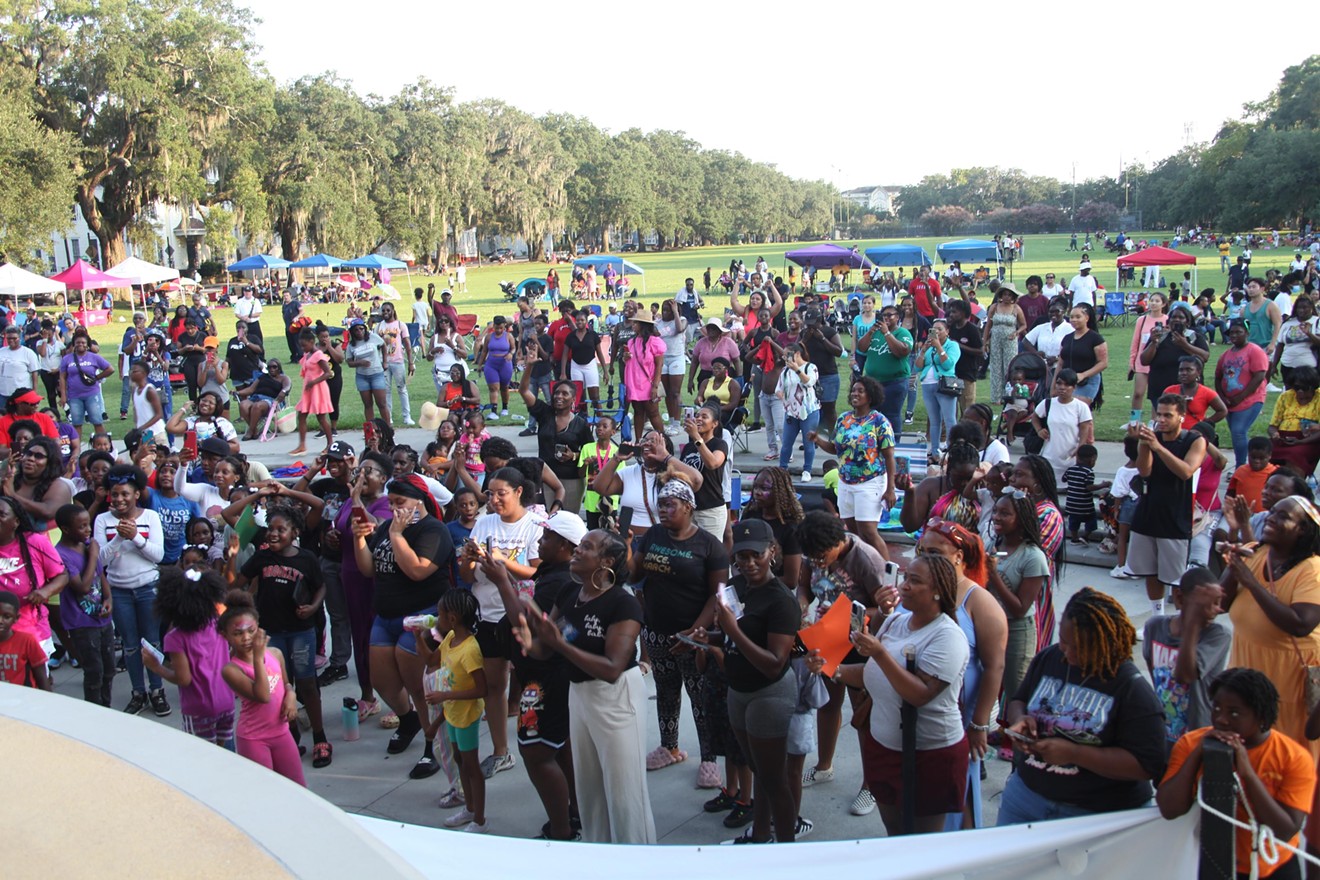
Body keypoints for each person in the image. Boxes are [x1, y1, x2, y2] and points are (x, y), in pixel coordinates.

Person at [514, 529, 655, 843]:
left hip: (617, 698)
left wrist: (557, 644)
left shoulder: (623, 604)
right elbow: (545, 647)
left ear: (605, 562)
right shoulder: (568, 592)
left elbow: (612, 668)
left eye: (586, 547)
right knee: (589, 790)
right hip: (579, 695)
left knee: (623, 793)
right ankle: (597, 856)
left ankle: (638, 861)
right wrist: (529, 641)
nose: (577, 551)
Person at [827, 555, 969, 836]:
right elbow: (871, 673)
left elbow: (920, 694)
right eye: (905, 578)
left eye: (915, 581)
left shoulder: (948, 637)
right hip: (883, 747)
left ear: (938, 590)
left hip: (928, 755)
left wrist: (879, 652)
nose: (903, 586)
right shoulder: (896, 623)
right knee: (894, 833)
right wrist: (833, 670)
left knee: (920, 843)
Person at [999, 588, 1167, 824]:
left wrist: (1075, 753)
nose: (1064, 651)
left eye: (1075, 647)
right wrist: (1020, 719)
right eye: (1063, 640)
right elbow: (1019, 699)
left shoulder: (1131, 688)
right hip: (1026, 798)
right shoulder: (1049, 658)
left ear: (1101, 644)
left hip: (1095, 815)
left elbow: (1147, 764)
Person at [687, 519, 802, 844]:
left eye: (756, 555)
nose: (748, 563)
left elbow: (774, 663)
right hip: (737, 690)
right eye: (741, 556)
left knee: (773, 779)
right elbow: (732, 638)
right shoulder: (736, 587)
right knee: (758, 770)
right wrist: (707, 635)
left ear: (773, 553)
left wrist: (730, 629)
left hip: (768, 695)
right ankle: (761, 835)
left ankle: (785, 851)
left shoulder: (781, 600)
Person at [1158, 668, 1316, 880]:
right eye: (1216, 708)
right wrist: (1197, 755)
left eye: (1234, 712)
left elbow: (1284, 832)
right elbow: (1169, 809)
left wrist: (1247, 773)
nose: (1221, 719)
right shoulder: (1190, 744)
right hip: (1214, 863)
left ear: (1260, 716)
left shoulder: (1294, 757)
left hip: (1273, 866)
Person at [795, 510, 898, 815]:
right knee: (827, 703)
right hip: (827, 637)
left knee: (863, 714)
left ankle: (871, 785)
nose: (816, 562)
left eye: (821, 556)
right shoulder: (811, 552)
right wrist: (803, 604)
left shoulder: (866, 561)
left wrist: (848, 616)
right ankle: (824, 765)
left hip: (859, 641)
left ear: (838, 543)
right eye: (811, 557)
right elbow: (804, 586)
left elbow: (886, 610)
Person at [351, 473, 456, 770]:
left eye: (401, 502)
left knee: (419, 689)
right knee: (382, 680)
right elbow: (368, 569)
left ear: (419, 502)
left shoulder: (433, 531)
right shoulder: (386, 528)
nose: (395, 508)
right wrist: (360, 537)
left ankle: (431, 745)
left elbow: (418, 571)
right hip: (385, 615)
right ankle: (408, 720)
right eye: (392, 502)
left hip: (421, 617)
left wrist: (397, 536)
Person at [633, 479, 729, 788]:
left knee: (700, 697)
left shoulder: (708, 546)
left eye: (670, 505)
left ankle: (709, 759)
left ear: (688, 507)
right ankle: (669, 746)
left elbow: (717, 595)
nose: (663, 510)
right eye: (660, 504)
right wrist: (626, 551)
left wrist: (697, 631)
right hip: (657, 631)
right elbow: (634, 575)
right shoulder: (653, 535)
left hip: (693, 636)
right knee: (666, 690)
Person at [1221, 494, 1320, 762]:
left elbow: (1300, 624)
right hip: (1246, 669)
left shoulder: (1312, 570)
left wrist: (1251, 583)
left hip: (1288, 681)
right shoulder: (1256, 551)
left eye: (1283, 516)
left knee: (1285, 760)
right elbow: (1221, 602)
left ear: (1302, 530)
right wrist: (1234, 564)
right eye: (1272, 512)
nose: (1272, 518)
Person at [459, 467, 544, 778]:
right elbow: (467, 576)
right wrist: (469, 559)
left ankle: (537, 745)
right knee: (493, 686)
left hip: (521, 617)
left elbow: (538, 571)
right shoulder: (483, 523)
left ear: (519, 492)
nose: (493, 500)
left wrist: (503, 561)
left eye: (500, 494)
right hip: (488, 615)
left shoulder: (534, 525)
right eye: (489, 494)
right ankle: (500, 751)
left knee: (533, 686)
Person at [95, 465, 168, 716]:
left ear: (137, 494)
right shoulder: (102, 520)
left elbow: (158, 556)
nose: (119, 499)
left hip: (148, 588)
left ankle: (157, 690)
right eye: (115, 495)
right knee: (130, 646)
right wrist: (118, 537)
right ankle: (139, 692)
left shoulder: (150, 517)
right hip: (119, 591)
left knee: (152, 641)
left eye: (125, 494)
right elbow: (101, 561)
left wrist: (136, 536)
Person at [1128, 394, 1207, 617]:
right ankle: (1157, 617)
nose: (1161, 420)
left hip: (1176, 516)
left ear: (1181, 416)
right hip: (1148, 512)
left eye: (1168, 415)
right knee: (1151, 572)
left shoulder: (1194, 440)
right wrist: (1144, 445)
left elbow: (1185, 472)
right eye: (1159, 415)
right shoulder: (1153, 438)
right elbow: (1145, 471)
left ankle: (1183, 620)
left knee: (1176, 577)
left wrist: (1158, 447)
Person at [419, 590, 489, 835]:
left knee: (472, 766)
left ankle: (480, 820)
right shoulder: (449, 638)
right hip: (452, 715)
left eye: (439, 613)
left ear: (452, 618)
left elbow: (482, 689)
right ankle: (469, 808)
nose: (435, 617)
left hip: (467, 717)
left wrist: (445, 696)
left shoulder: (470, 650)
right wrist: (418, 636)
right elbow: (430, 661)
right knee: (460, 760)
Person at [147, 548, 232, 749]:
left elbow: (183, 679)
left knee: (203, 757)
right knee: (225, 755)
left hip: (198, 708)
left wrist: (156, 667)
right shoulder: (218, 622)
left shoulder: (174, 638)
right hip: (226, 702)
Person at [218, 591, 306, 785]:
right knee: (266, 792)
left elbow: (286, 683)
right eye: (238, 633)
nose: (246, 638)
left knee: (298, 788)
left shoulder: (275, 654)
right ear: (225, 636)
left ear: (258, 626)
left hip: (281, 732)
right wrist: (258, 658)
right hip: (254, 739)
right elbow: (263, 695)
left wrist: (291, 695)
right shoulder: (231, 670)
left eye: (251, 630)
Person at [1143, 567, 1231, 748]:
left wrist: (1192, 623)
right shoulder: (1154, 627)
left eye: (1217, 602)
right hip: (1162, 731)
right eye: (1204, 604)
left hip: (1197, 737)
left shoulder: (1218, 635)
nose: (1215, 610)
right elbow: (1154, 674)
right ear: (1179, 598)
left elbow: (1186, 675)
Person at [809, 377, 895, 557]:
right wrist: (818, 440)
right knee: (853, 532)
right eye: (853, 390)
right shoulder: (844, 419)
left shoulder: (879, 421)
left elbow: (889, 457)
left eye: (860, 391)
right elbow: (835, 449)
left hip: (870, 482)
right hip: (845, 483)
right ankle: (862, 568)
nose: (855, 394)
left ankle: (887, 573)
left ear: (870, 396)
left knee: (869, 532)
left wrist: (890, 489)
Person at [985, 492, 1050, 713]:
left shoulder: (1033, 557)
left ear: (1021, 519)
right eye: (995, 511)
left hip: (1017, 630)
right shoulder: (992, 544)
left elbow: (1021, 608)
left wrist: (993, 575)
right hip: (990, 627)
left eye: (1005, 513)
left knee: (1016, 693)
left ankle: (1018, 744)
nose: (996, 517)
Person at [53, 504, 115, 705]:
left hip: (102, 618)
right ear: (66, 529)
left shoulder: (87, 545)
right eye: (82, 527)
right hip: (81, 622)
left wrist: (108, 599)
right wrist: (93, 555)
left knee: (109, 669)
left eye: (88, 524)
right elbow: (82, 587)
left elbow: (100, 576)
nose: (88, 530)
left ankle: (106, 708)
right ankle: (94, 711)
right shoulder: (61, 554)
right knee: (94, 671)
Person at [518, 350, 593, 515]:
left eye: (565, 393)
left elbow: (591, 453)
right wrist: (529, 367)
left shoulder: (580, 424)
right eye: (557, 393)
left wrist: (573, 455)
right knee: (544, 521)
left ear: (573, 399)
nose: (559, 396)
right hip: (544, 478)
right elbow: (523, 391)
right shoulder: (545, 413)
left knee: (566, 521)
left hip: (572, 479)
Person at [1216, 320, 1271, 467]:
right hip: (1230, 401)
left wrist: (1241, 396)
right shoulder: (1226, 354)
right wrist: (1222, 398)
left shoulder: (1254, 351)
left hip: (1250, 399)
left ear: (1247, 333)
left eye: (1238, 332)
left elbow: (1260, 376)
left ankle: (1241, 465)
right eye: (1231, 332)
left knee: (1239, 431)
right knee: (1235, 434)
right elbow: (1218, 377)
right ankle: (1241, 464)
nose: (1234, 335)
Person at [1139, 304, 1210, 418]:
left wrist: (1185, 345)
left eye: (1181, 318)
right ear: (1169, 320)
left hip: (1188, 391)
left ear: (1187, 321)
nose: (1177, 320)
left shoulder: (1194, 337)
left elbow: (1205, 356)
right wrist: (1153, 342)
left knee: (1186, 421)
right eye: (1174, 317)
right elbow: (1144, 360)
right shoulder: (1161, 337)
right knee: (1166, 421)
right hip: (1161, 389)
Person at [1030, 368, 1095, 485]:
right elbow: (1034, 417)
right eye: (1059, 383)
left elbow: (1085, 428)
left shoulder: (1081, 407)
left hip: (1071, 459)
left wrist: (1080, 447)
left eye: (1067, 385)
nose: (1062, 387)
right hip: (1049, 457)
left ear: (1074, 387)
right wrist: (1039, 430)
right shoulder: (1048, 403)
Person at [858, 305, 913, 434]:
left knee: (891, 415)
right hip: (873, 382)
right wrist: (870, 331)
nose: (886, 318)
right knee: (870, 415)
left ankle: (893, 445)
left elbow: (902, 351)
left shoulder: (902, 333)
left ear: (898, 317)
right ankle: (872, 443)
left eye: (890, 315)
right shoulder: (875, 332)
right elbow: (861, 347)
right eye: (884, 315)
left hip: (894, 382)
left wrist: (887, 333)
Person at [915, 318, 960, 458]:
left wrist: (939, 347)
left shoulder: (952, 345)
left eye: (940, 329)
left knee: (949, 419)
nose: (936, 332)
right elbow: (917, 367)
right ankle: (934, 450)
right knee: (934, 421)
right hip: (927, 384)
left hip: (945, 384)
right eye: (934, 330)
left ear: (947, 331)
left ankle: (952, 449)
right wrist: (923, 352)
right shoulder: (929, 347)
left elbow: (948, 365)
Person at [57, 334, 114, 442]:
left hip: (92, 394)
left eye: (83, 342)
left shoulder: (94, 357)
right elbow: (62, 377)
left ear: (88, 344)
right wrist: (63, 395)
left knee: (97, 421)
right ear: (74, 344)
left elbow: (110, 369)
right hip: (74, 396)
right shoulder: (67, 359)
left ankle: (103, 446)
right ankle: (76, 449)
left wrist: (97, 377)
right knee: (77, 423)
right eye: (78, 342)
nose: (80, 345)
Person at [776, 343, 821, 479]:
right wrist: (783, 397)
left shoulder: (810, 367)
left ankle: (807, 470)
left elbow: (809, 382)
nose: (785, 358)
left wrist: (797, 370)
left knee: (808, 443)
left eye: (787, 355)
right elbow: (778, 388)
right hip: (791, 412)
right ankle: (782, 469)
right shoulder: (785, 371)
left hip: (809, 411)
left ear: (796, 354)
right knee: (786, 444)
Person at [1267, 366, 1320, 476]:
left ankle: (1295, 486)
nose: (1300, 391)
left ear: (1313, 387)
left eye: (1304, 388)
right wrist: (1275, 434)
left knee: (1295, 454)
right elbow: (1272, 426)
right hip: (1284, 438)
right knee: (1264, 450)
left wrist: (1300, 442)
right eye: (1296, 387)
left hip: (1309, 440)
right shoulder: (1286, 396)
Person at [288, 330, 334, 457]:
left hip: (318, 389)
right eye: (301, 346)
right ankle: (302, 445)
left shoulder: (318, 355)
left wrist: (314, 382)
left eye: (304, 345)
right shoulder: (307, 354)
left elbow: (328, 373)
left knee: (321, 418)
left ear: (312, 342)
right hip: (308, 390)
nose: (303, 348)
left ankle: (330, 443)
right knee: (301, 416)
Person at [622, 310, 666, 441]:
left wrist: (655, 386)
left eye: (635, 323)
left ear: (643, 325)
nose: (632, 325)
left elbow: (659, 365)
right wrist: (625, 357)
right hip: (634, 383)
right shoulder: (631, 342)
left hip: (649, 383)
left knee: (653, 412)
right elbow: (630, 363)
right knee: (638, 412)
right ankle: (638, 441)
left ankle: (663, 440)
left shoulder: (655, 342)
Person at [1128, 291, 1170, 420]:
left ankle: (1154, 422)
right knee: (1138, 393)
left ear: (1163, 304)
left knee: (1156, 395)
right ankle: (1135, 420)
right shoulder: (1142, 319)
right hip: (1142, 361)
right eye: (1151, 300)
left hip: (1158, 362)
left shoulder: (1167, 320)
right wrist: (1132, 362)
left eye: (1157, 301)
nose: (1153, 303)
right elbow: (1135, 341)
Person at [1058, 304, 1108, 406]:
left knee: (1078, 408)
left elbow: (1103, 363)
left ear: (1086, 318)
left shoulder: (1095, 339)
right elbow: (1060, 363)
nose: (1074, 320)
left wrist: (1083, 375)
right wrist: (1055, 384)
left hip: (1087, 381)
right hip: (1067, 381)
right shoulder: (1067, 338)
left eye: (1078, 317)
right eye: (1071, 317)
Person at [0, 590, 50, 689]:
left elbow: (42, 678)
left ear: (16, 618)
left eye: (7, 617)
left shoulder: (26, 641)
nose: (0, 621)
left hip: (23, 699)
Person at [984, 284, 1026, 400]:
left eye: (1009, 295)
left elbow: (1023, 325)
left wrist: (1017, 332)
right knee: (996, 366)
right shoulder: (994, 307)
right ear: (1001, 295)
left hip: (1010, 340)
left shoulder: (1016, 308)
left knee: (1009, 366)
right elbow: (988, 325)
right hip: (996, 339)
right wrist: (985, 342)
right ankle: (996, 397)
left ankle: (1009, 394)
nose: (1007, 297)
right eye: (1005, 294)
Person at [376, 302, 414, 427]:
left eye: (388, 310)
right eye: (383, 310)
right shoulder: (378, 326)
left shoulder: (400, 325)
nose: (385, 313)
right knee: (386, 390)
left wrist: (411, 362)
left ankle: (407, 416)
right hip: (383, 363)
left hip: (398, 361)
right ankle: (389, 417)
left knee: (402, 389)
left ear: (393, 311)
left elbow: (407, 344)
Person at [345, 318, 390, 425]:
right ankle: (371, 429)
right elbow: (349, 363)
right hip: (362, 376)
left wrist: (384, 362)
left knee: (382, 403)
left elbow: (383, 345)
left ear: (365, 328)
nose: (359, 331)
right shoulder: (351, 345)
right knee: (368, 404)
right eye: (356, 330)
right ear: (352, 332)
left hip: (376, 374)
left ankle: (388, 428)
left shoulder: (373, 337)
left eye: (361, 328)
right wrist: (359, 363)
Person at [1163, 355, 1226, 430]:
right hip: (1171, 433)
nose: (1184, 373)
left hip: (1195, 436)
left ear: (1198, 372)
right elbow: (1160, 411)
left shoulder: (1206, 392)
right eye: (1181, 370)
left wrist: (1204, 424)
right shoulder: (1169, 391)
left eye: (1189, 370)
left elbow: (1222, 411)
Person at [1271, 290, 1320, 386]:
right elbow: (1280, 345)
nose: (1302, 310)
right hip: (1288, 365)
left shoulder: (1316, 321)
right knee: (1291, 395)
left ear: (1311, 307)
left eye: (1305, 307)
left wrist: (1309, 333)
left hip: (1309, 367)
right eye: (1299, 308)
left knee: (1307, 394)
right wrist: (1274, 365)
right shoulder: (1288, 323)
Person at [1062, 444, 1108, 544]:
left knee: (1074, 522)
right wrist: (1102, 485)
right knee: (1091, 521)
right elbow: (1089, 487)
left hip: (1071, 503)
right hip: (1085, 505)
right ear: (1092, 459)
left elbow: (1063, 479)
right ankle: (1085, 536)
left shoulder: (1070, 469)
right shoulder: (1089, 472)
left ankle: (1074, 538)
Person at [654, 299, 688, 433]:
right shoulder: (658, 323)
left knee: (675, 392)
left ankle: (677, 424)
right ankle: (672, 421)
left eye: (668, 310)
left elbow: (679, 329)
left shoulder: (682, 320)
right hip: (663, 359)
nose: (664, 313)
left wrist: (675, 313)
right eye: (663, 310)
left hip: (676, 358)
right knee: (667, 393)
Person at [234, 359, 290, 440]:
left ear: (279, 368)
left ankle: (250, 431)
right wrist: (238, 392)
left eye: (274, 367)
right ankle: (255, 430)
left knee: (257, 406)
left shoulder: (283, 378)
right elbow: (250, 389)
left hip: (272, 401)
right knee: (243, 404)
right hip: (255, 397)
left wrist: (284, 391)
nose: (272, 369)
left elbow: (288, 386)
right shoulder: (262, 377)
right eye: (269, 367)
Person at [477, 316, 516, 419]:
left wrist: (511, 354)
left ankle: (505, 408)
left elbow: (513, 348)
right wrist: (480, 364)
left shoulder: (508, 336)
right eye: (496, 328)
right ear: (493, 326)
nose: (498, 330)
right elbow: (484, 351)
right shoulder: (489, 337)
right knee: (493, 388)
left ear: (504, 327)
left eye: (501, 328)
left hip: (505, 364)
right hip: (491, 364)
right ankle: (493, 410)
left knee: (504, 387)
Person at [0, 324, 40, 412]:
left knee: (20, 418)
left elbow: (34, 373)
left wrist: (34, 391)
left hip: (21, 393)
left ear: (20, 337)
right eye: (9, 338)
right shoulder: (1, 351)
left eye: (14, 338)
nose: (11, 340)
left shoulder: (28, 353)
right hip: (2, 393)